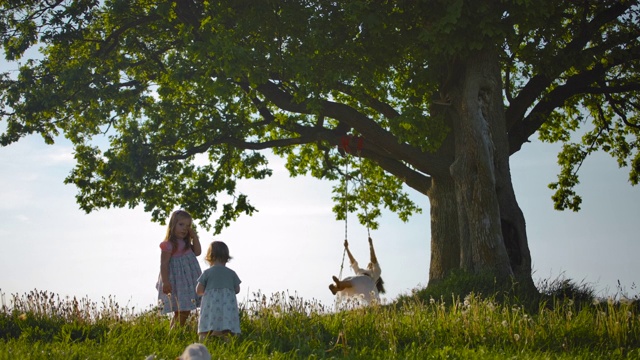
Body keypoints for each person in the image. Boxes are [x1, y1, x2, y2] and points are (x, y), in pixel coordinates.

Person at [156, 209, 203, 328]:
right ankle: (174, 332)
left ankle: (175, 331)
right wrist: (166, 282)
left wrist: (194, 237)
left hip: (189, 280)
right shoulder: (168, 244)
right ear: (173, 225)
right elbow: (164, 264)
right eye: (181, 225)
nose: (184, 228)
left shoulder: (185, 243)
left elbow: (197, 252)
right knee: (182, 309)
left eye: (188, 226)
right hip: (178, 281)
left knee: (185, 310)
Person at [196, 241, 241, 341]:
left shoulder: (207, 272)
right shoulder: (231, 273)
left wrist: (208, 293)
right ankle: (229, 341)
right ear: (226, 256)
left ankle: (204, 340)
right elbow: (237, 289)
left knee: (207, 322)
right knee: (227, 322)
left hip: (210, 304)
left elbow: (199, 290)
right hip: (227, 305)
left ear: (210, 256)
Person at [329, 237, 385, 304]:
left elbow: (373, 259)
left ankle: (339, 285)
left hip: (367, 283)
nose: (370, 264)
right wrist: (347, 248)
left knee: (352, 281)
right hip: (358, 285)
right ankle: (337, 287)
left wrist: (371, 244)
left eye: (371, 264)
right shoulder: (360, 271)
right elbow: (353, 262)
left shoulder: (375, 273)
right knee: (349, 280)